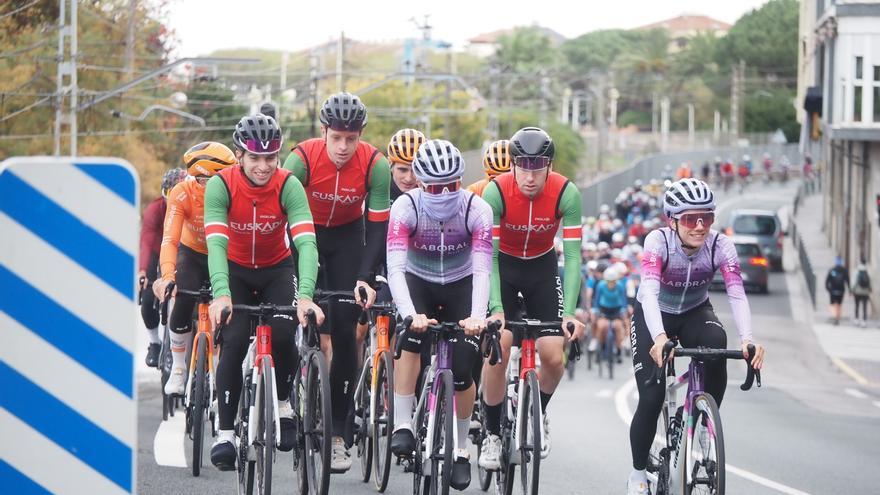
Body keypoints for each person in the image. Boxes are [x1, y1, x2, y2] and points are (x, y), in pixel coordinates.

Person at [626, 178, 765, 495]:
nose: (700, 226)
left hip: (695, 311)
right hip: (655, 312)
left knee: (717, 345)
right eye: (691, 218)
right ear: (672, 219)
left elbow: (737, 293)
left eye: (707, 217)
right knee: (651, 397)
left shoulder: (721, 245)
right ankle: (636, 475)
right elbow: (648, 292)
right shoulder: (657, 242)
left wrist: (748, 339)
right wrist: (659, 338)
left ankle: (703, 415)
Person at [205, 114, 324, 470]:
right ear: (239, 155)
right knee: (236, 337)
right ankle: (226, 433)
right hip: (236, 270)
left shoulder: (288, 185)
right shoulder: (220, 186)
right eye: (254, 158)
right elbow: (214, 245)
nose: (262, 166)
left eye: (270, 158)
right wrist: (221, 294)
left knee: (286, 332)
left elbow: (306, 243)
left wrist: (304, 296)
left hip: (277, 267)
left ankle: (285, 403)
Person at [283, 91, 391, 471]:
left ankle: (340, 432)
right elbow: (280, 215)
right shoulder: (301, 158)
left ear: (360, 135)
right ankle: (289, 384)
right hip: (304, 236)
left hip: (348, 239)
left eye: (352, 138)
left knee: (345, 335)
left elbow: (377, 228)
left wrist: (365, 277)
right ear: (323, 131)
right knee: (292, 316)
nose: (344, 147)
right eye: (337, 137)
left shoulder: (376, 165)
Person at [386, 139, 493, 491]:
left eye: (450, 186)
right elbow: (396, 268)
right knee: (411, 341)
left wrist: (478, 317)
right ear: (419, 183)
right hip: (419, 282)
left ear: (460, 182)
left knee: (463, 368)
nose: (442, 193)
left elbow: (482, 271)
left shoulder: (477, 210)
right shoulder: (405, 207)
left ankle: (461, 449)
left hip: (462, 284)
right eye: (434, 187)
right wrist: (407, 314)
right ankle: (402, 422)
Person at [478, 127, 585, 469]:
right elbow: (488, 258)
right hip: (503, 268)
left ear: (549, 167)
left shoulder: (566, 194)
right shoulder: (495, 193)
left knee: (553, 356)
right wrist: (495, 308)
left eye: (537, 167)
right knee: (501, 344)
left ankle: (537, 411)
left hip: (542, 267)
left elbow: (573, 258)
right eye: (522, 166)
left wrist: (569, 311)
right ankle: (492, 433)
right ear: (512, 166)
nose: (529, 175)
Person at [153, 142, 237, 394]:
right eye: (202, 181)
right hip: (192, 255)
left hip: (224, 254)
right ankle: (178, 368)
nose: (209, 187)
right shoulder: (181, 193)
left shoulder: (234, 191)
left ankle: (226, 365)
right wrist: (168, 277)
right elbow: (169, 240)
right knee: (182, 297)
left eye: (216, 180)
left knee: (233, 312)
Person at [138, 168, 186, 367]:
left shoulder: (190, 203)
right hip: (159, 253)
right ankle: (154, 342)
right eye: (169, 194)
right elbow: (147, 241)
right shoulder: (155, 209)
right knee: (148, 299)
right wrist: (142, 271)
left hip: (182, 253)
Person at [387, 128, 426, 201]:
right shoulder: (376, 187)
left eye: (415, 171)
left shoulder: (430, 190)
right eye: (402, 170)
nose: (409, 179)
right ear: (390, 164)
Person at [825, 256, 850, 325]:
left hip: (833, 290)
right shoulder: (844, 270)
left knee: (833, 304)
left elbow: (827, 281)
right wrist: (849, 290)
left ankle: (835, 316)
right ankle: (837, 316)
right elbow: (848, 281)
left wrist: (828, 289)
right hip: (841, 290)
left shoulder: (832, 270)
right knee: (839, 304)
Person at [852, 262, 872, 327]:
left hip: (857, 292)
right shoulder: (867, 273)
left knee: (857, 306)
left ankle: (856, 319)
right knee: (864, 307)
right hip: (865, 292)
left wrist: (852, 290)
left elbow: (854, 282)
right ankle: (864, 321)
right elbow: (870, 282)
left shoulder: (856, 272)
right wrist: (870, 290)